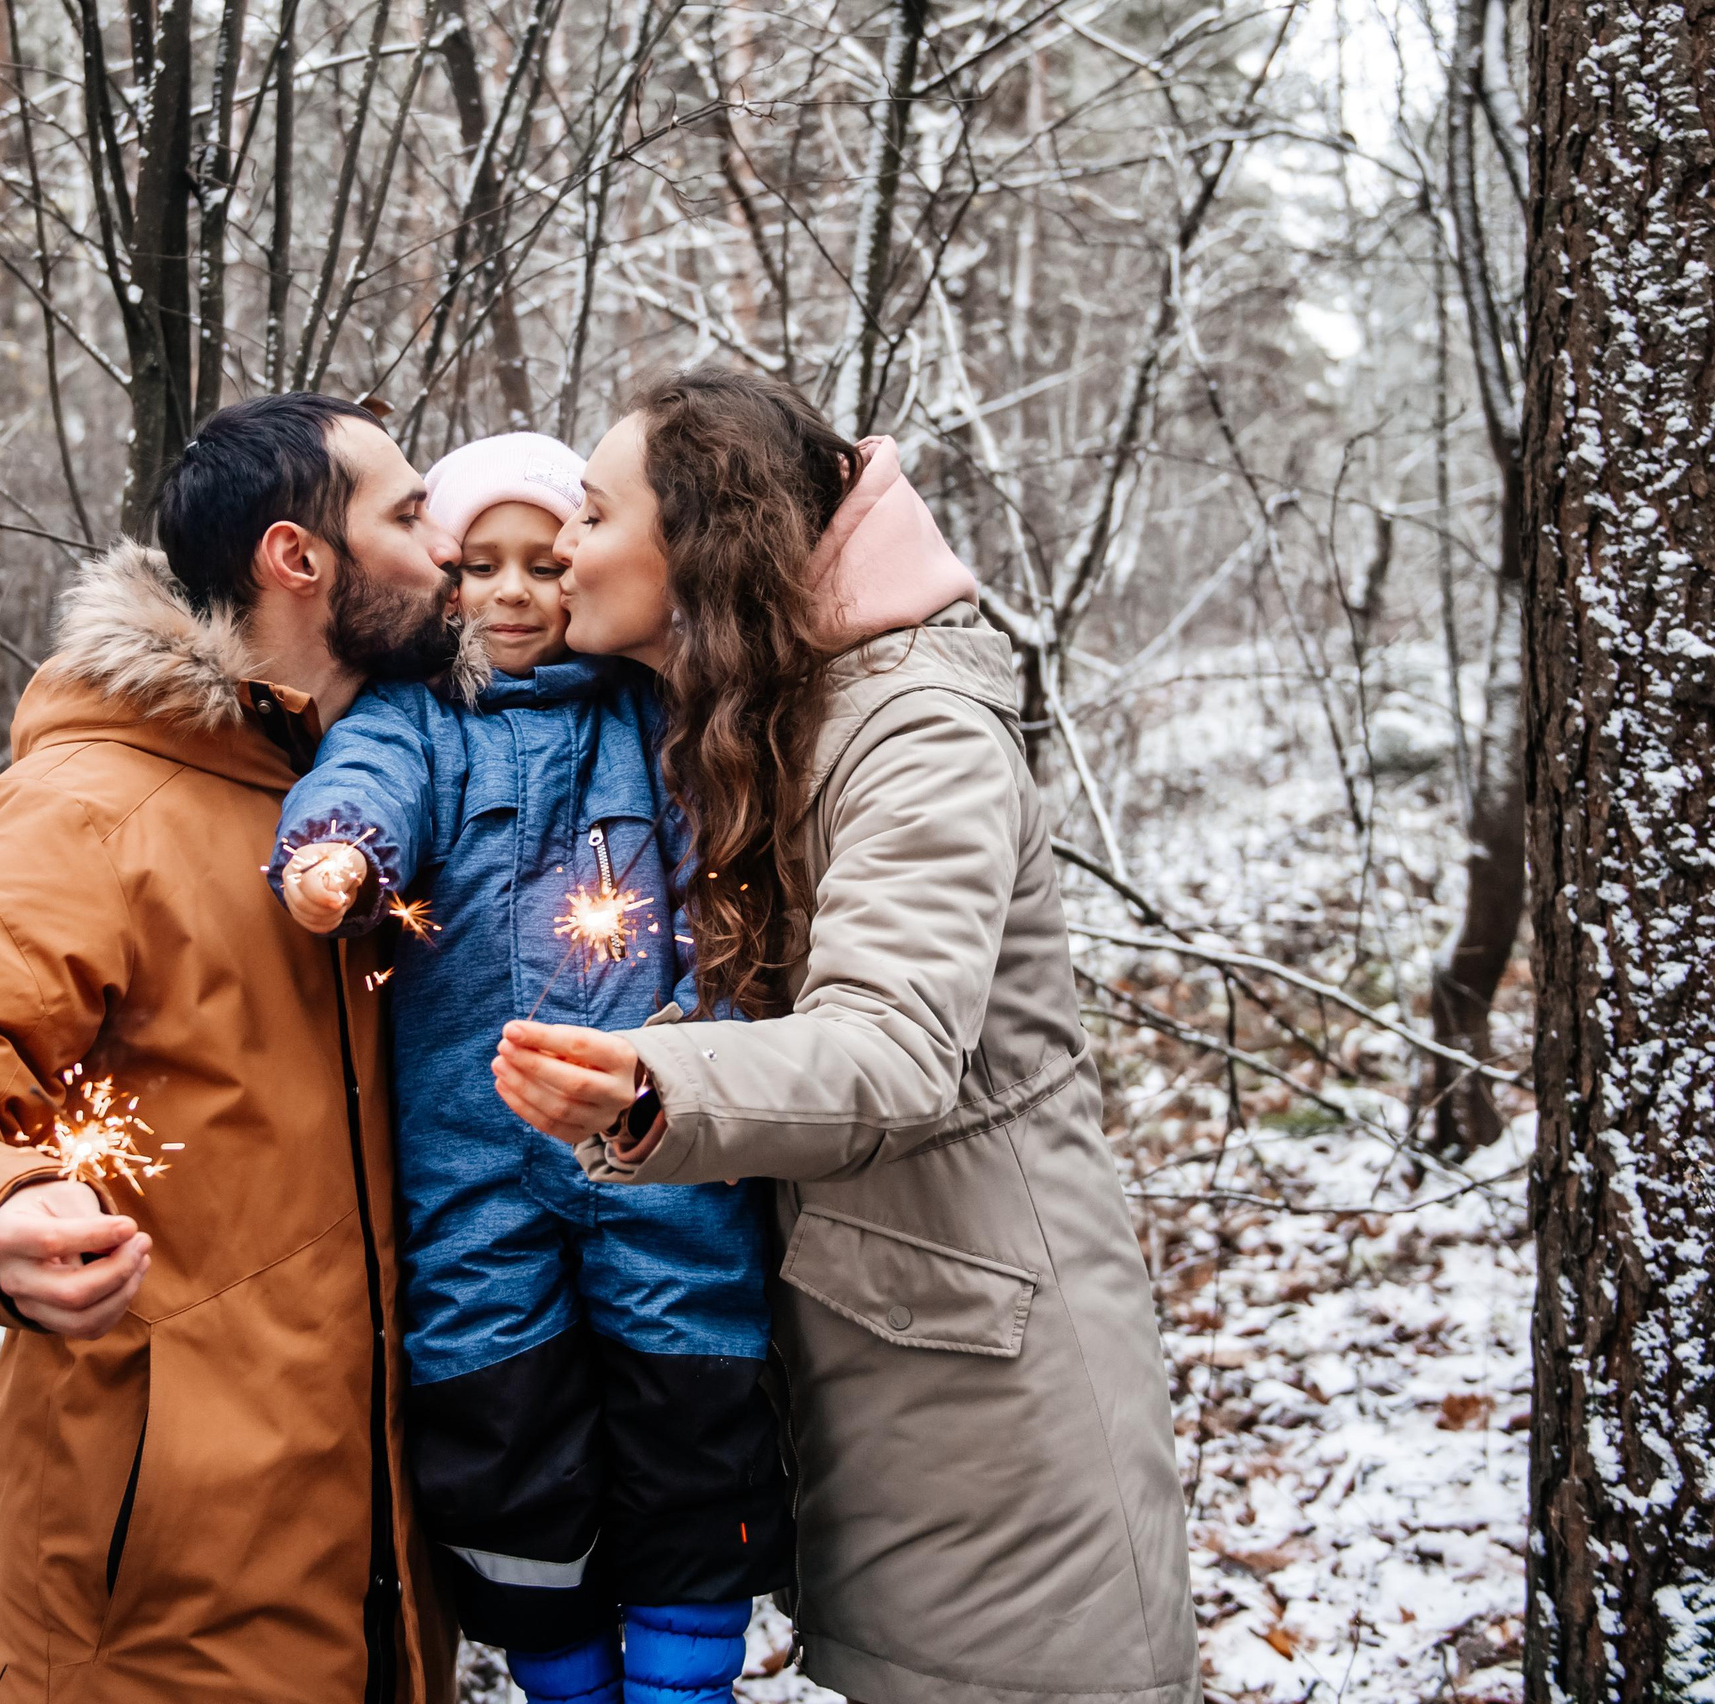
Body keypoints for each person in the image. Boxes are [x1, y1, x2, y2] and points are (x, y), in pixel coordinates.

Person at [493, 368, 1200, 1704]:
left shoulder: (911, 727)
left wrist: (650, 1082)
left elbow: (892, 1048)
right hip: (888, 1359)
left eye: (591, 515)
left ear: (701, 542)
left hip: (996, 1393)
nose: (563, 548)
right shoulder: (759, 710)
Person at [0, 394, 466, 1703]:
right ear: (300, 559)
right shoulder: (93, 811)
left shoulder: (387, 799)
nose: (442, 540)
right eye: (407, 511)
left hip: (379, 1571)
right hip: (163, 1604)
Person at [274, 431, 791, 1704]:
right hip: (472, 1154)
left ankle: (683, 1684)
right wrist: (337, 851)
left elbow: (715, 875)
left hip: (647, 1137)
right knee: (497, 1421)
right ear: (442, 583)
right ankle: (564, 1680)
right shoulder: (415, 721)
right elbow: (367, 778)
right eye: (478, 566)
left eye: (543, 562)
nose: (512, 593)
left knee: (687, 1403)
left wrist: (681, 1034)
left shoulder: (647, 718)